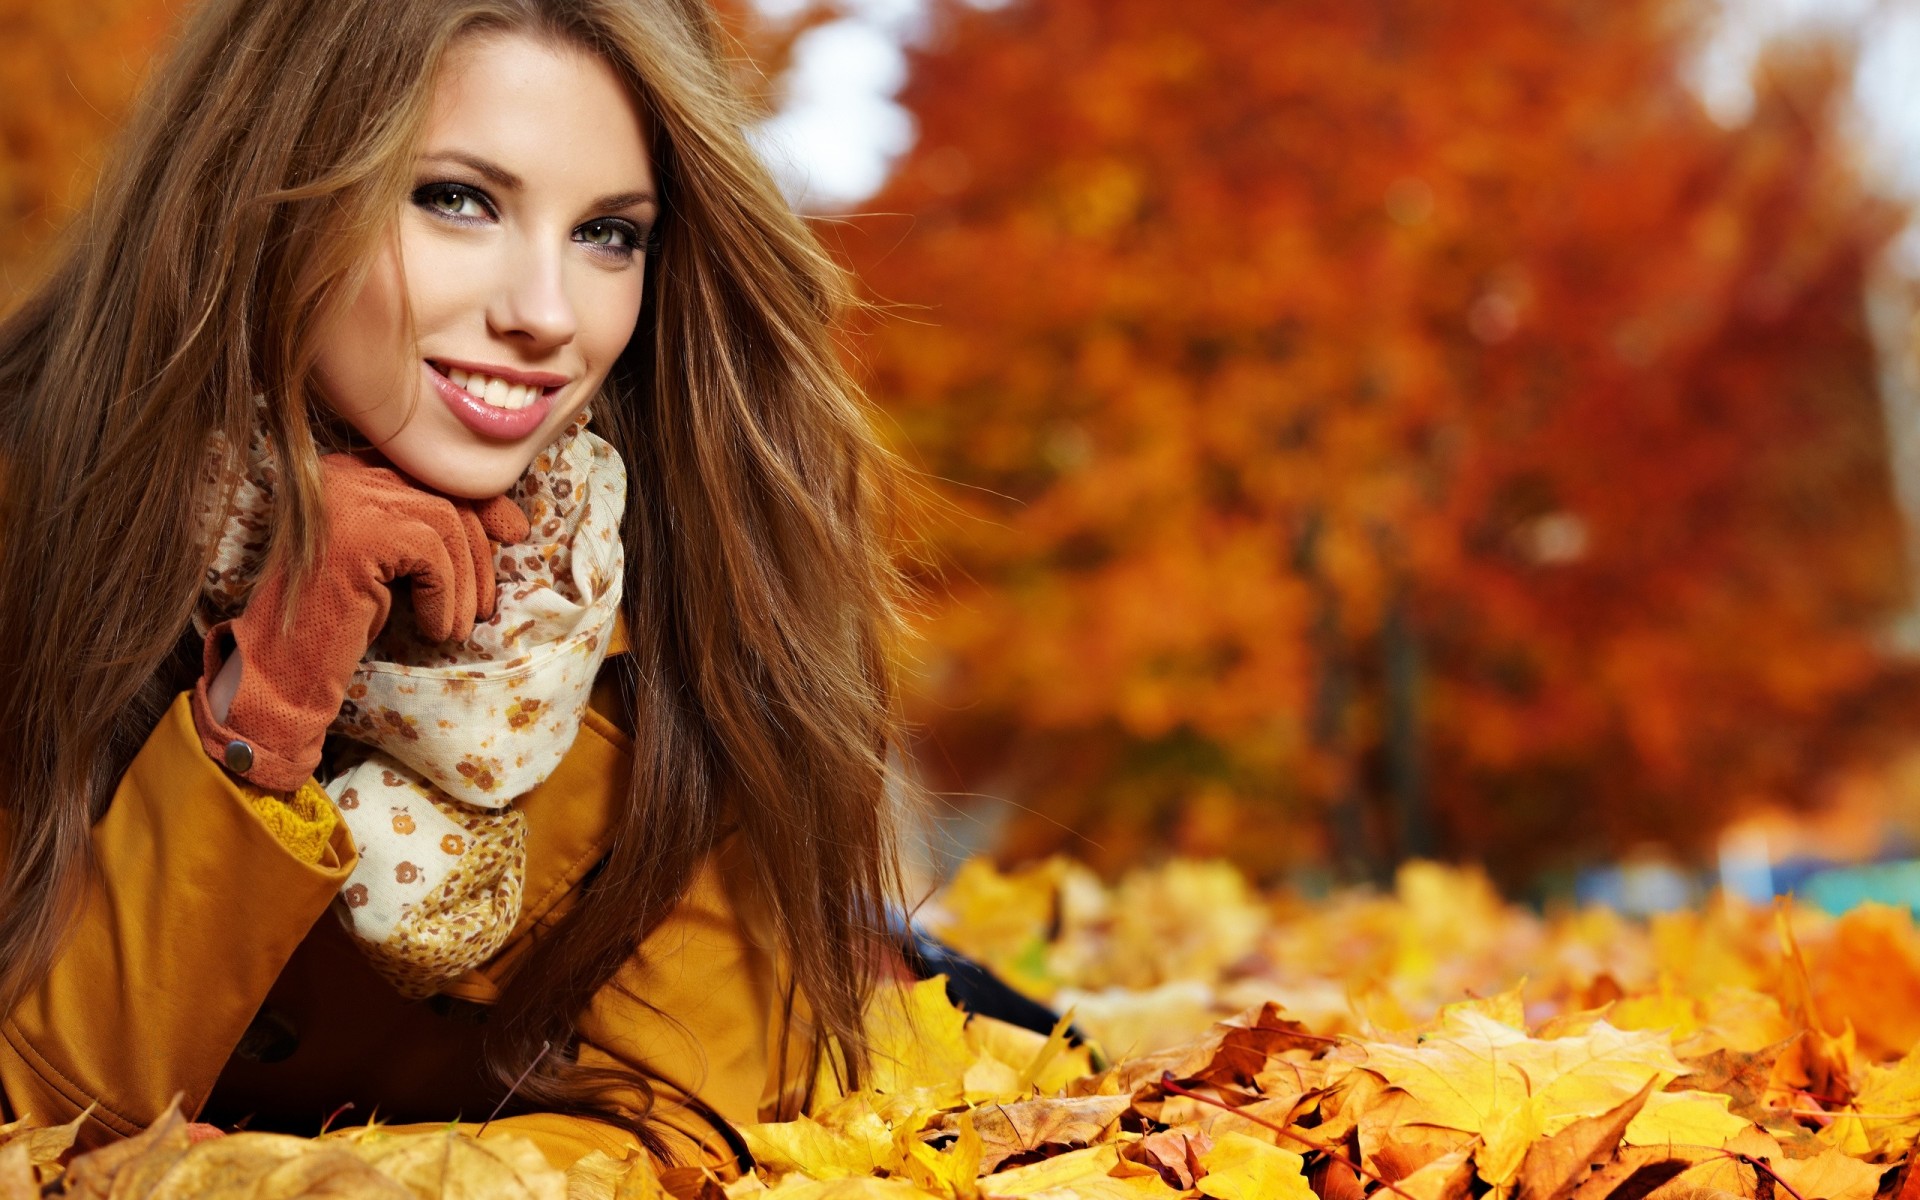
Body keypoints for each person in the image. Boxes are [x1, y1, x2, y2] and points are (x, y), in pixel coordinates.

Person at [0, 0, 909, 1172]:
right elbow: (27, 1114)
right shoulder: (38, 520)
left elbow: (679, 1139)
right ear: (270, 192)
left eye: (609, 235)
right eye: (456, 200)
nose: (545, 314)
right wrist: (267, 700)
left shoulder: (709, 569)